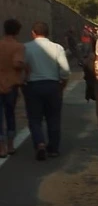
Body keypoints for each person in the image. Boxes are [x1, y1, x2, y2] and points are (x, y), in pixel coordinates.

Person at [23, 21, 70, 161]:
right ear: (48, 33)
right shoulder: (58, 48)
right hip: (53, 85)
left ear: (33, 33)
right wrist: (62, 84)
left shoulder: (26, 47)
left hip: (33, 86)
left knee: (34, 118)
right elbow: (65, 71)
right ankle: (54, 148)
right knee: (53, 117)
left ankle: (40, 143)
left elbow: (22, 67)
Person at [0, 19, 25, 158]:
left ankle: (1, 146)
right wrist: (24, 67)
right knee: (10, 115)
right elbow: (17, 63)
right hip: (11, 85)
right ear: (17, 31)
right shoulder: (18, 47)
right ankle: (10, 145)